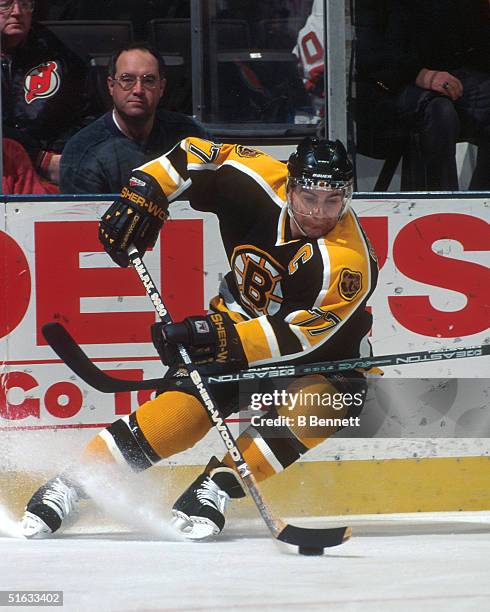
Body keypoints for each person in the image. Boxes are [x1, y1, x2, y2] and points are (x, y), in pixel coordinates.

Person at [21, 136, 378, 540]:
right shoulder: (256, 177)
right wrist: (146, 190)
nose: (318, 212)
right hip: (240, 320)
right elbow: (193, 153)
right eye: (309, 196)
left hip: (322, 358)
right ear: (290, 184)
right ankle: (74, 483)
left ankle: (216, 487)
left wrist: (210, 336)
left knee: (336, 401)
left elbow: (297, 335)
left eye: (333, 200)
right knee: (184, 414)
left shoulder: (348, 262)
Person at [356, 0, 490, 190]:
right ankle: (439, 207)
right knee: (439, 111)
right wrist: (420, 75)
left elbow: (474, 43)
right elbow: (367, 53)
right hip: (384, 90)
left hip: (447, 77)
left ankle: (481, 203)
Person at [60, 42, 210, 194]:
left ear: (162, 88)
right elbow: (83, 216)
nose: (138, 90)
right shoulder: (82, 151)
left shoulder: (192, 135)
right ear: (111, 86)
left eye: (149, 80)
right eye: (127, 79)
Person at [1, 0, 88, 184]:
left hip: (52, 171)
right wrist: (39, 157)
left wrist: (61, 152)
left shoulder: (55, 52)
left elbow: (85, 113)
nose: (17, 12)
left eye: (25, 4)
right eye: (5, 4)